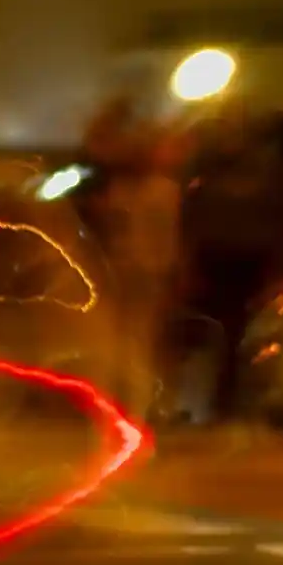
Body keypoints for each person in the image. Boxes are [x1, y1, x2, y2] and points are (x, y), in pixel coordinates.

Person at [99, 129, 185, 422]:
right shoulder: (137, 191)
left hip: (144, 270)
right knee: (135, 338)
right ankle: (137, 402)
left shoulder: (156, 191)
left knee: (141, 337)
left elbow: (166, 235)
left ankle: (141, 403)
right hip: (135, 269)